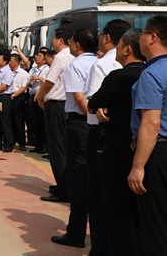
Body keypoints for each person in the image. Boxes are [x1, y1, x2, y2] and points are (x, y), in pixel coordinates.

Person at [88, 28, 145, 255]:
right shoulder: (150, 73)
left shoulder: (119, 76)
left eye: (120, 45)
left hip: (117, 146)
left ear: (128, 49)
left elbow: (94, 102)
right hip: (147, 146)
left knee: (116, 203)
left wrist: (100, 106)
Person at [84, 19, 129, 256]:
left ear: (107, 38)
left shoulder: (102, 65)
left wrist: (98, 108)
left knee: (101, 195)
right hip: (133, 137)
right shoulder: (143, 65)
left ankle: (101, 247)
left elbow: (92, 103)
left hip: (102, 137)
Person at [51, 29, 98, 249]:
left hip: (81, 123)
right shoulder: (101, 63)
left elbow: (79, 98)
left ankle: (76, 233)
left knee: (79, 180)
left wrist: (90, 119)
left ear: (77, 45)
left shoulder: (76, 65)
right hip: (98, 125)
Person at [128, 16, 167, 256]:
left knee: (156, 224)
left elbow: (151, 125)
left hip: (159, 153)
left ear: (152, 37)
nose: (139, 37)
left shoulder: (152, 74)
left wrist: (138, 166)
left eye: (142, 33)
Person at [36, 29, 75, 203]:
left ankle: (63, 190)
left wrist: (39, 97)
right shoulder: (74, 55)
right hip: (68, 105)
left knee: (57, 149)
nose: (52, 42)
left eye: (53, 38)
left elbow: (48, 83)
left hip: (56, 105)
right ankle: (65, 184)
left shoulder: (60, 57)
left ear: (60, 40)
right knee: (65, 148)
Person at [28, 51, 50, 153]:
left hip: (41, 98)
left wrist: (39, 78)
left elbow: (48, 82)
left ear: (44, 60)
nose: (37, 58)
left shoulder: (47, 69)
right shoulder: (33, 69)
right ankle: (38, 145)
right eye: (37, 56)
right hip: (32, 96)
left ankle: (44, 146)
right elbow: (28, 80)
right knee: (34, 123)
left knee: (42, 123)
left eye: (40, 56)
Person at [8, 53, 31, 151]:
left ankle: (22, 143)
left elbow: (23, 87)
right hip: (8, 97)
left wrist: (14, 95)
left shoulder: (23, 73)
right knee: (9, 120)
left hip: (18, 98)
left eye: (11, 61)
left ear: (17, 62)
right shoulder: (8, 72)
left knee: (18, 121)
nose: (9, 63)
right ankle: (10, 141)